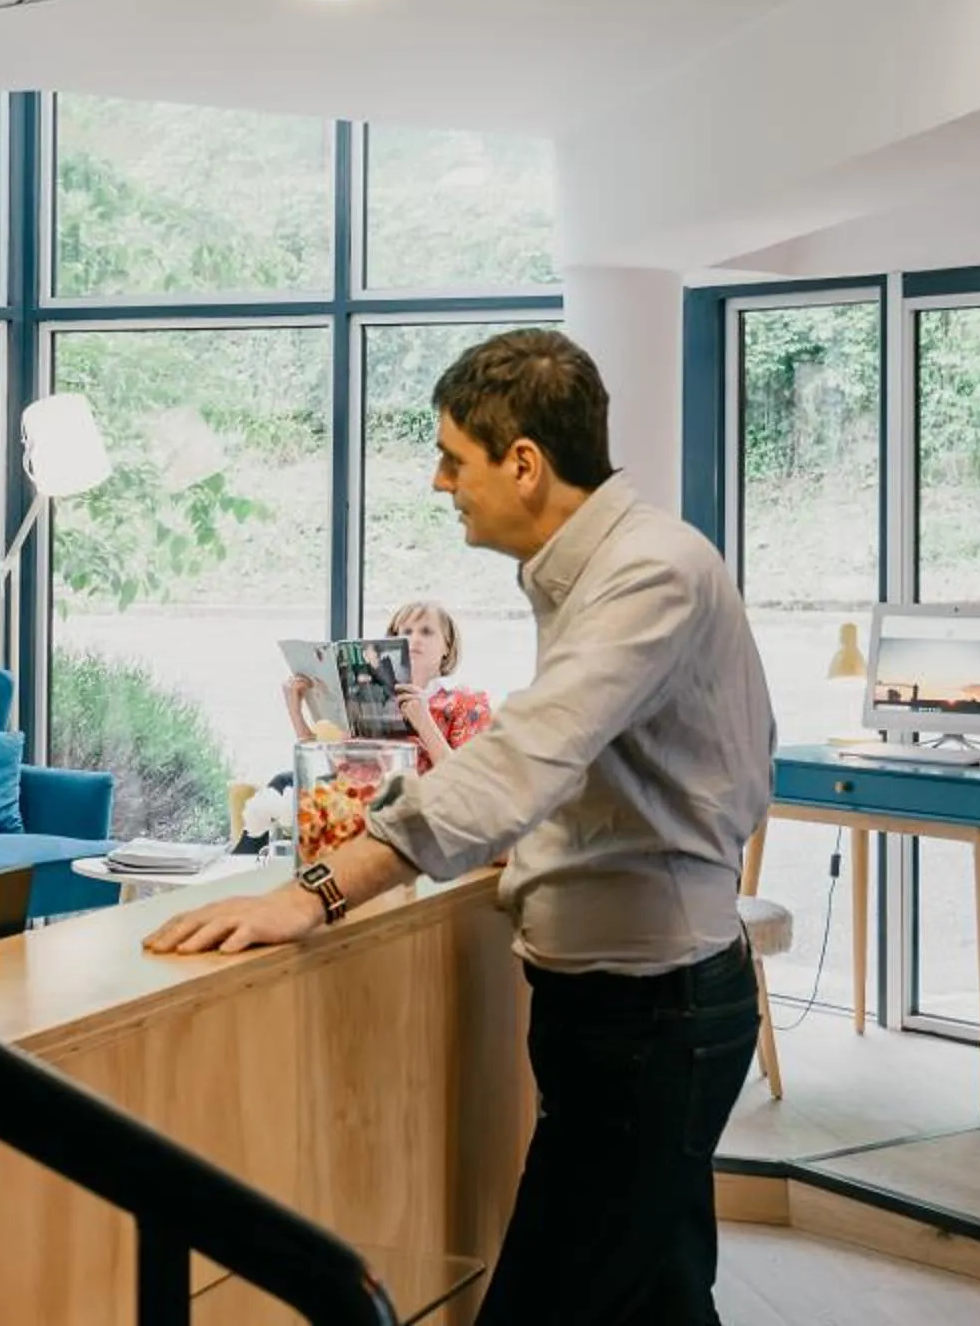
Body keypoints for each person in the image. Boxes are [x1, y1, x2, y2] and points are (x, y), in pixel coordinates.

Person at [148, 328, 776, 1326]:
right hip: (626, 1013)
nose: (440, 482)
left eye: (453, 456)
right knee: (659, 1299)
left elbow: (524, 757)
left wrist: (313, 891)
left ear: (524, 462)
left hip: (651, 1020)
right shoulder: (598, 569)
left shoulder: (647, 572)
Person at [279, 599, 494, 766]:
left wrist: (423, 722)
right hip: (362, 808)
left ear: (448, 646)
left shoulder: (468, 702)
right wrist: (296, 712)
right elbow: (328, 772)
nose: (414, 639)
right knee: (283, 783)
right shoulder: (369, 697)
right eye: (406, 632)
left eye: (426, 631)